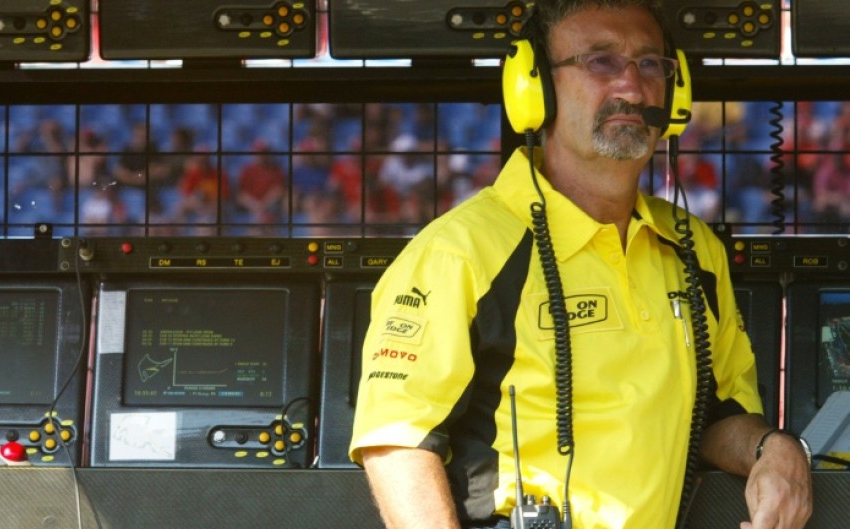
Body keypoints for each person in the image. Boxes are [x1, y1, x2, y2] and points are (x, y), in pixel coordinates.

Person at [348, 2, 813, 529]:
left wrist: (771, 448)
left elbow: (717, 417)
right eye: (600, 62)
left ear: (675, 91)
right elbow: (399, 443)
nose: (633, 89)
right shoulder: (458, 251)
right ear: (534, 87)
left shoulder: (694, 249)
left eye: (650, 65)